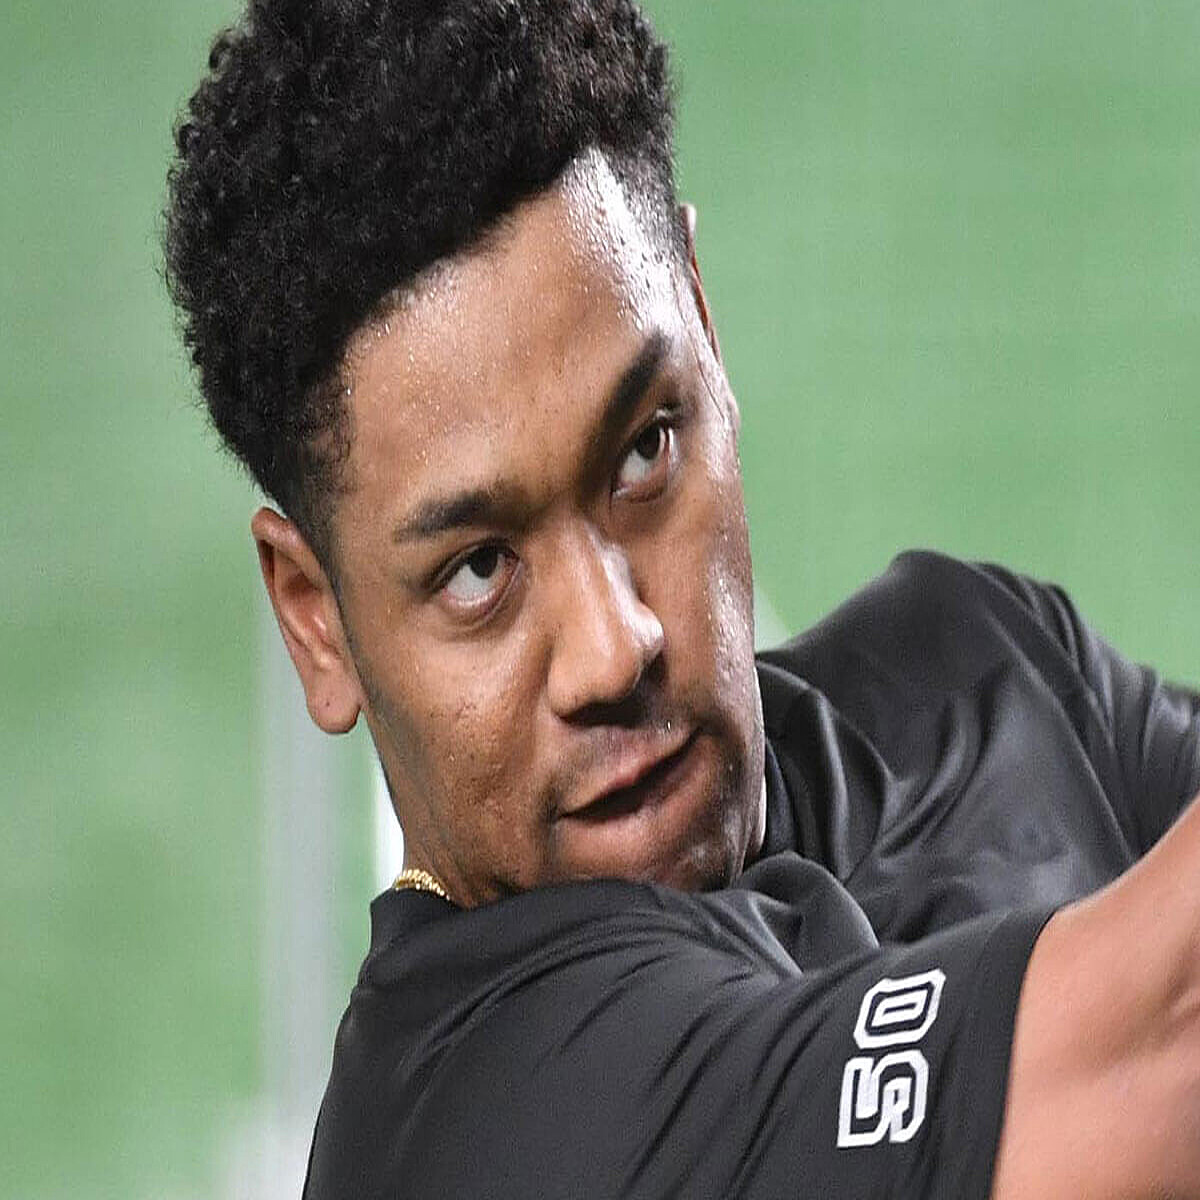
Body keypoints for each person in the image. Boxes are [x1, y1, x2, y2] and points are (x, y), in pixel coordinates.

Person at [164, 1, 1200, 1196]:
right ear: (316, 621)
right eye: (479, 571)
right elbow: (1164, 1045)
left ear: (703, 322)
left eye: (644, 453)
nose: (616, 648)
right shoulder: (483, 1130)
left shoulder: (986, 671)